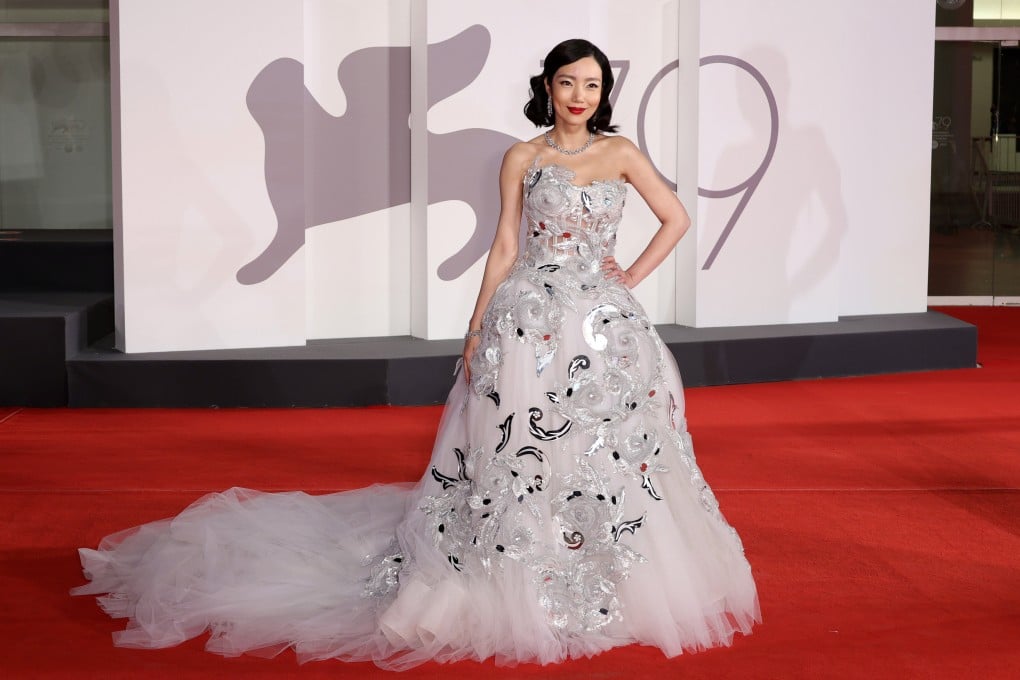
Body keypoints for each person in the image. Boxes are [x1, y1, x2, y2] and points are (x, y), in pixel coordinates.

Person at [72, 39, 760, 670]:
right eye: (566, 83)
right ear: (546, 88)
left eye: (591, 83)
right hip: (525, 321)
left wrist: (628, 277)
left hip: (604, 328)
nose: (579, 95)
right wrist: (475, 325)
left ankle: (605, 568)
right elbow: (505, 247)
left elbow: (676, 216)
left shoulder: (622, 152)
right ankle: (512, 564)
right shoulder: (524, 156)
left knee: (609, 448)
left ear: (604, 91)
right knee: (514, 447)